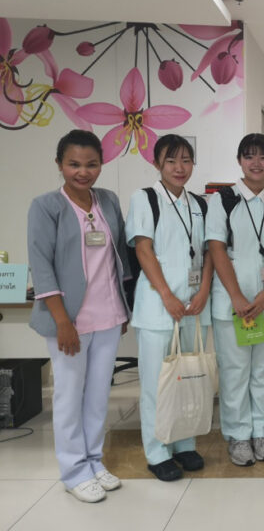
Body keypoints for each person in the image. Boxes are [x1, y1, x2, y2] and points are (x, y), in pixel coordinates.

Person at [27, 130, 130, 503]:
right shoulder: (46, 206)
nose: (83, 172)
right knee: (70, 395)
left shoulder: (108, 200)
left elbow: (118, 255)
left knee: (99, 395)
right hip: (68, 320)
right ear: (59, 165)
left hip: (109, 315)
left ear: (101, 165)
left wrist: (124, 306)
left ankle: (92, 461)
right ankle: (72, 471)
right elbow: (42, 267)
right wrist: (62, 322)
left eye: (91, 164)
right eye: (73, 164)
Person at [205, 133, 264, 466]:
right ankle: (239, 436)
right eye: (249, 156)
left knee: (263, 371)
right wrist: (238, 296)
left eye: (263, 157)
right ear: (240, 161)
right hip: (232, 306)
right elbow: (216, 248)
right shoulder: (223, 200)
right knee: (234, 371)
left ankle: (261, 432)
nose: (256, 163)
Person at [125, 134, 212, 481]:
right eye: (172, 160)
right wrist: (166, 295)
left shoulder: (200, 204)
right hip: (159, 308)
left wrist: (203, 290)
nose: (180, 167)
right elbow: (143, 250)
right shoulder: (145, 198)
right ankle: (158, 450)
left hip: (193, 306)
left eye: (186, 160)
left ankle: (184, 443)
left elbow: (208, 253)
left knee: (188, 377)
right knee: (156, 383)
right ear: (157, 163)